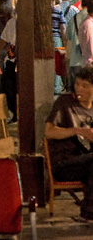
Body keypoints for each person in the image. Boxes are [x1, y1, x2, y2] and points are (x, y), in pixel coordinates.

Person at [44, 65, 93, 222]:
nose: (79, 89)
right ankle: (89, 211)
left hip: (86, 160)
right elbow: (49, 131)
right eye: (77, 84)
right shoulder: (65, 102)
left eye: (85, 86)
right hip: (64, 162)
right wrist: (77, 131)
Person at [68, 0, 92, 89]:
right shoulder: (89, 22)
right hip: (88, 63)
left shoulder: (73, 18)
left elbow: (68, 36)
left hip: (75, 59)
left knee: (76, 90)